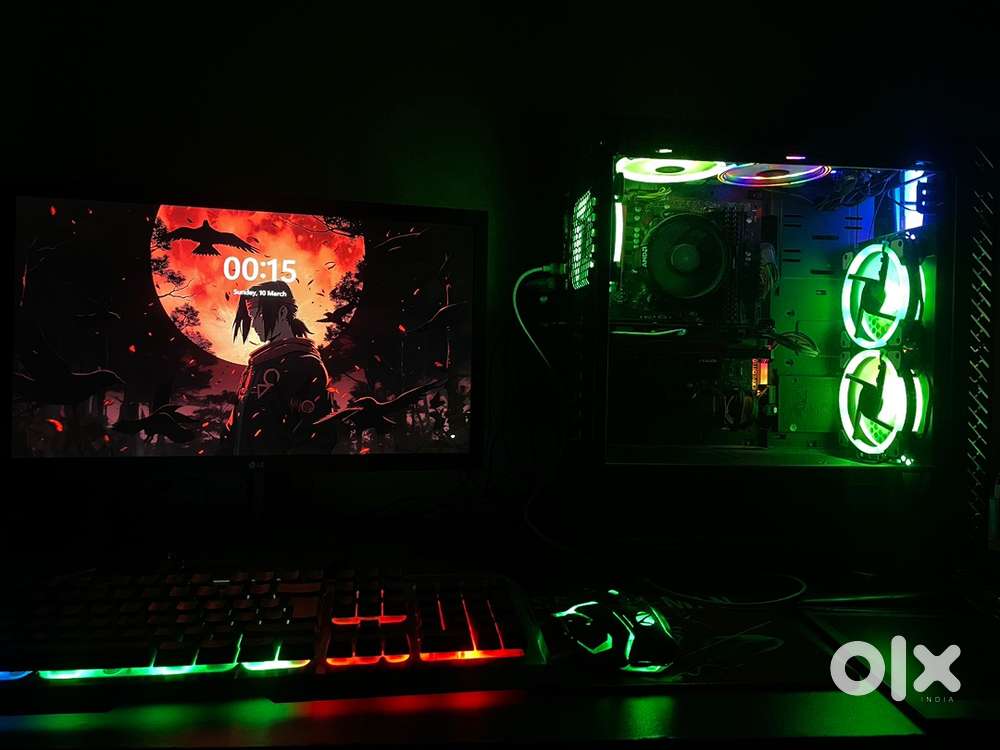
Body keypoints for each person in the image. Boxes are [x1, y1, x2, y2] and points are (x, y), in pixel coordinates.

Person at [219, 281, 332, 454]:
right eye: (251, 317)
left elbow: (316, 436)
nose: (254, 324)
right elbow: (235, 427)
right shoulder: (255, 366)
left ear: (282, 312)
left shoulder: (306, 364)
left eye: (257, 315)